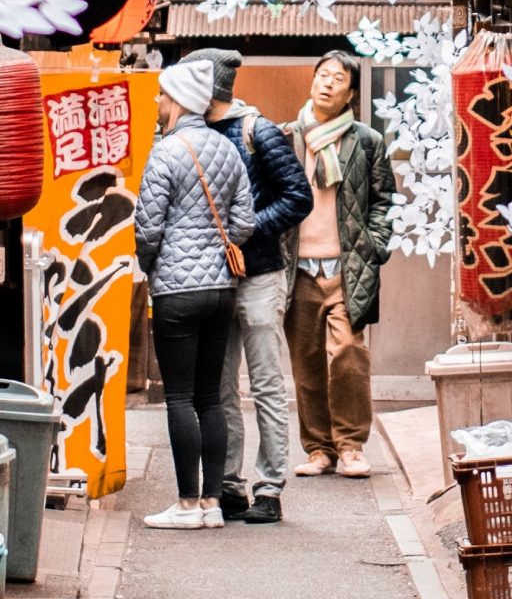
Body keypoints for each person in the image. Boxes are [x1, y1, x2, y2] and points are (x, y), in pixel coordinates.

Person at [132, 56, 254, 531]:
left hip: (177, 292)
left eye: (163, 95)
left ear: (178, 99)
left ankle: (184, 504)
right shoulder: (226, 150)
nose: (159, 102)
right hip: (221, 290)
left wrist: (152, 264)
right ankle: (211, 503)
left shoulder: (166, 152)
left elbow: (148, 226)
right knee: (210, 396)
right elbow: (243, 222)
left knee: (180, 397)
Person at [205, 48, 313, 525]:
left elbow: (298, 196)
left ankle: (270, 486)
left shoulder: (259, 130)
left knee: (267, 383)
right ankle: (229, 485)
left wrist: (248, 228)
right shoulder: (191, 133)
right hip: (213, 275)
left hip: (261, 274)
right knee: (222, 386)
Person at [283, 50, 397, 479]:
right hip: (298, 268)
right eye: (322, 75)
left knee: (349, 354)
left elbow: (384, 200)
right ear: (312, 81)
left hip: (348, 266)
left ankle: (350, 446)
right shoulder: (288, 137)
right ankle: (318, 449)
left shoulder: (366, 141)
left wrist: (375, 244)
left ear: (350, 92)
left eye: (338, 78)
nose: (327, 83)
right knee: (306, 359)